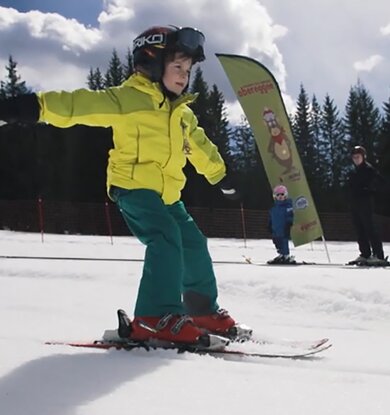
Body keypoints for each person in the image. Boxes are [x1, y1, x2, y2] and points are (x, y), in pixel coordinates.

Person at [0, 25, 248, 345]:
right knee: (164, 236)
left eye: (187, 69)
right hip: (133, 189)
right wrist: (33, 107)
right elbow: (80, 105)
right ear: (152, 63)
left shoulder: (181, 113)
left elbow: (201, 146)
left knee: (194, 244)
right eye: (177, 67)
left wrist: (221, 177)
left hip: (168, 196)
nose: (184, 76)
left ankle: (201, 312)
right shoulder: (128, 99)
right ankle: (153, 317)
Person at [348, 145, 387, 266]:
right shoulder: (354, 171)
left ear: (363, 157)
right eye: (354, 157)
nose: (356, 159)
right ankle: (365, 253)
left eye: (358, 157)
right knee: (359, 228)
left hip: (366, 202)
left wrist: (369, 190)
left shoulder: (369, 170)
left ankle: (378, 255)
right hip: (356, 202)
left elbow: (380, 183)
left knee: (370, 227)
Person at [267, 184, 295, 264]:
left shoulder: (288, 206)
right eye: (278, 195)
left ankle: (286, 255)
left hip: (283, 228)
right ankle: (281, 254)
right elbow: (271, 216)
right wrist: (269, 224)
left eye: (282, 194)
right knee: (276, 241)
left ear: (285, 195)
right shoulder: (274, 207)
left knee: (284, 241)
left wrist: (289, 223)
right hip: (275, 228)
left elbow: (290, 215)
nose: (280, 196)